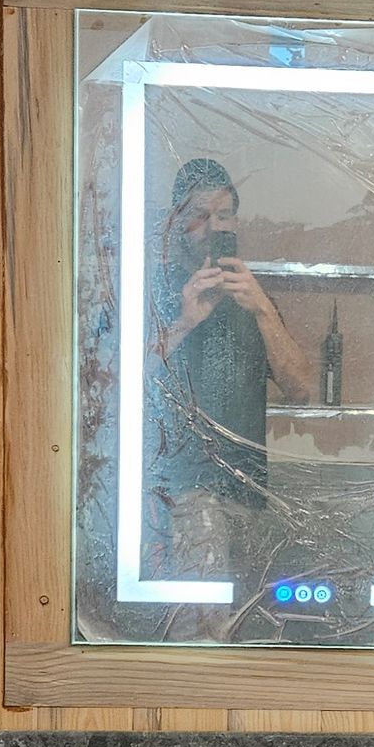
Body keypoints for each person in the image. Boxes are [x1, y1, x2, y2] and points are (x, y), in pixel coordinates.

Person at [149, 157, 310, 585]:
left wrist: (263, 312)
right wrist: (184, 322)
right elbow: (110, 389)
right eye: (200, 215)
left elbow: (302, 390)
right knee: (199, 627)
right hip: (179, 493)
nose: (214, 227)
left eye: (223, 215)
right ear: (175, 221)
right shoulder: (153, 290)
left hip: (249, 493)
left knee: (241, 622)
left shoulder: (252, 300)